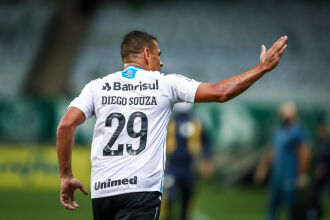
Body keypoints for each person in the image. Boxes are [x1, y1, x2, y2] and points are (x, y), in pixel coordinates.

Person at [57, 30, 288, 220]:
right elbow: (222, 92)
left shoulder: (96, 87)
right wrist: (262, 68)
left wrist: (66, 176)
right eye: (159, 54)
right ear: (147, 54)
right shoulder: (165, 84)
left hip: (103, 192)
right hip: (141, 192)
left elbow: (65, 126)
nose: (162, 61)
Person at [254, 102, 311, 220]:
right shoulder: (279, 131)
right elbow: (272, 151)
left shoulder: (298, 131)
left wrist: (303, 173)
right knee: (272, 207)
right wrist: (263, 168)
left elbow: (304, 152)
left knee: (292, 208)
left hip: (290, 176)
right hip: (277, 176)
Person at [164, 103, 213, 220]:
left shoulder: (195, 123)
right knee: (172, 197)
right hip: (174, 166)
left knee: (185, 196)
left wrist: (207, 160)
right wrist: (207, 160)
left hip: (185, 166)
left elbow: (206, 142)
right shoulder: (171, 123)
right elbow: (207, 143)